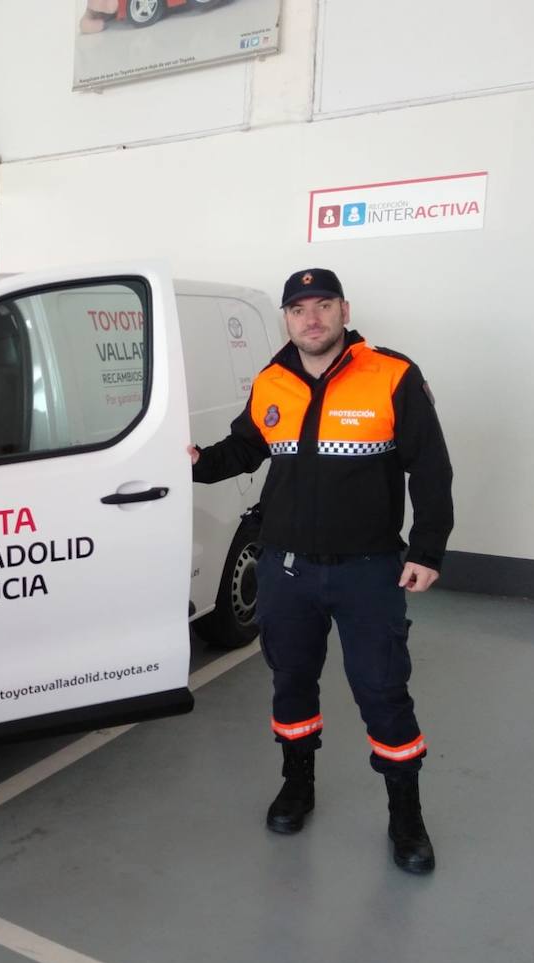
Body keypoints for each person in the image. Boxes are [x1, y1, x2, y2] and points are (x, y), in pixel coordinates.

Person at [188, 268, 453, 874]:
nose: (311, 318)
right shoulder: (272, 381)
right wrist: (194, 461)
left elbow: (431, 470)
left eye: (323, 305)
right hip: (286, 569)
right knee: (290, 683)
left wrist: (427, 550)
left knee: (383, 690)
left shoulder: (392, 375)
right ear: (286, 318)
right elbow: (245, 449)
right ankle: (297, 785)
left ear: (343, 310)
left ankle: (405, 816)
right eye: (299, 308)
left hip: (369, 570)